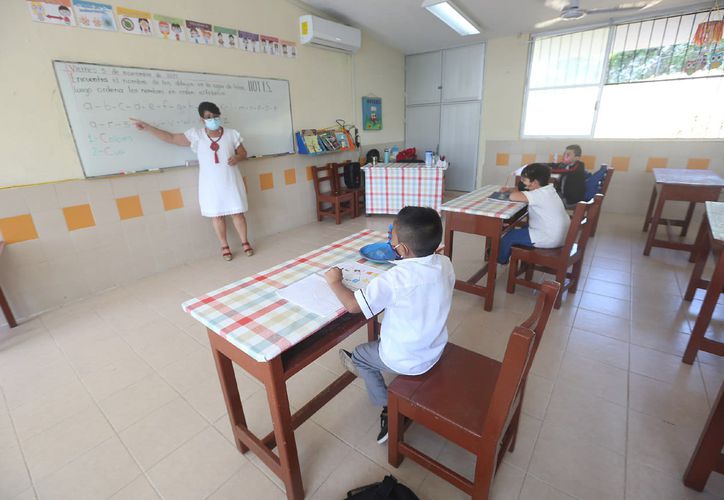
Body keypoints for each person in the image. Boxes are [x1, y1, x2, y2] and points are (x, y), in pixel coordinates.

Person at [324, 206, 455, 444]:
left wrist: (335, 283)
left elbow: (354, 306)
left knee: (361, 354)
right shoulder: (445, 263)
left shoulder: (395, 279)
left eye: (392, 240)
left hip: (406, 357)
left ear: (402, 249)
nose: (391, 243)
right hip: (434, 347)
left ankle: (388, 408)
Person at [130, 102, 254, 261]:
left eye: (215, 116)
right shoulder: (197, 135)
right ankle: (225, 246)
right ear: (202, 119)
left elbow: (243, 152)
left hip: (231, 181)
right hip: (210, 184)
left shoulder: (231, 134)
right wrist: (147, 127)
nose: (213, 120)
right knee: (217, 215)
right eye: (209, 117)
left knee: (237, 212)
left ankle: (245, 242)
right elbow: (172, 138)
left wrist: (237, 157)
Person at [498, 163, 570, 265]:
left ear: (535, 182)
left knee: (509, 237)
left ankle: (501, 260)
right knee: (523, 229)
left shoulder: (538, 195)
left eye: (524, 180)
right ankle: (507, 252)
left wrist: (510, 192)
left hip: (549, 238)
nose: (522, 182)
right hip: (560, 236)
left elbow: (513, 197)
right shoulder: (548, 190)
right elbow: (522, 192)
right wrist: (510, 189)